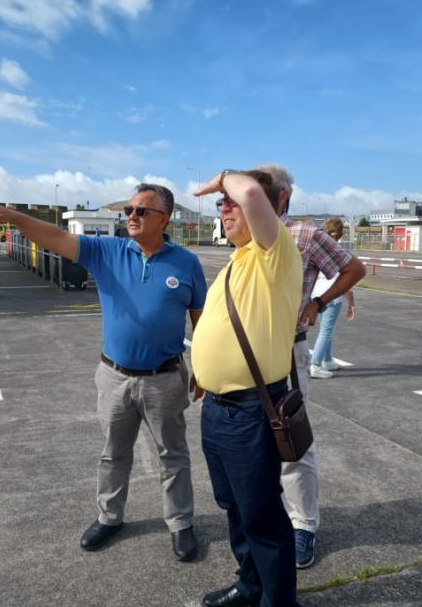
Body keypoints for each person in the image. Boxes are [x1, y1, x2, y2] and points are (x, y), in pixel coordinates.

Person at [0, 184, 207, 563]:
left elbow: (200, 321)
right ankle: (110, 517)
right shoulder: (107, 251)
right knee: (113, 453)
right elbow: (56, 237)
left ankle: (180, 523)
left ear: (163, 219)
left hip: (164, 378)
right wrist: (12, 216)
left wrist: (205, 368)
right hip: (114, 377)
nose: (132, 216)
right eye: (129, 210)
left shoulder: (186, 263)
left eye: (142, 211)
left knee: (173, 455)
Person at [190, 169, 303, 607]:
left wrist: (221, 179)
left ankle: (278, 600)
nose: (225, 208)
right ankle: (250, 585)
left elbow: (253, 190)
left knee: (261, 516)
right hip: (217, 408)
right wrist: (206, 369)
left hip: (251, 410)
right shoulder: (238, 259)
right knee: (235, 507)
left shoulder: (275, 252)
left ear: (268, 211)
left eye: (230, 202)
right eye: (222, 203)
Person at [253, 164, 366, 569]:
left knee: (292, 438)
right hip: (250, 355)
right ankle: (268, 515)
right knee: (255, 440)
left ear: (282, 195)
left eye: (259, 188)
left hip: (288, 353)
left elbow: (354, 268)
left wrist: (318, 303)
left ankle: (303, 524)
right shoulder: (246, 234)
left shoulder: (306, 235)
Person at [308, 218, 357, 379]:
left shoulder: (318, 251)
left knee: (325, 330)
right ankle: (315, 365)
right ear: (341, 234)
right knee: (326, 332)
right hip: (332, 297)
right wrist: (351, 304)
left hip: (317, 295)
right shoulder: (339, 253)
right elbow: (344, 282)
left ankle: (327, 360)